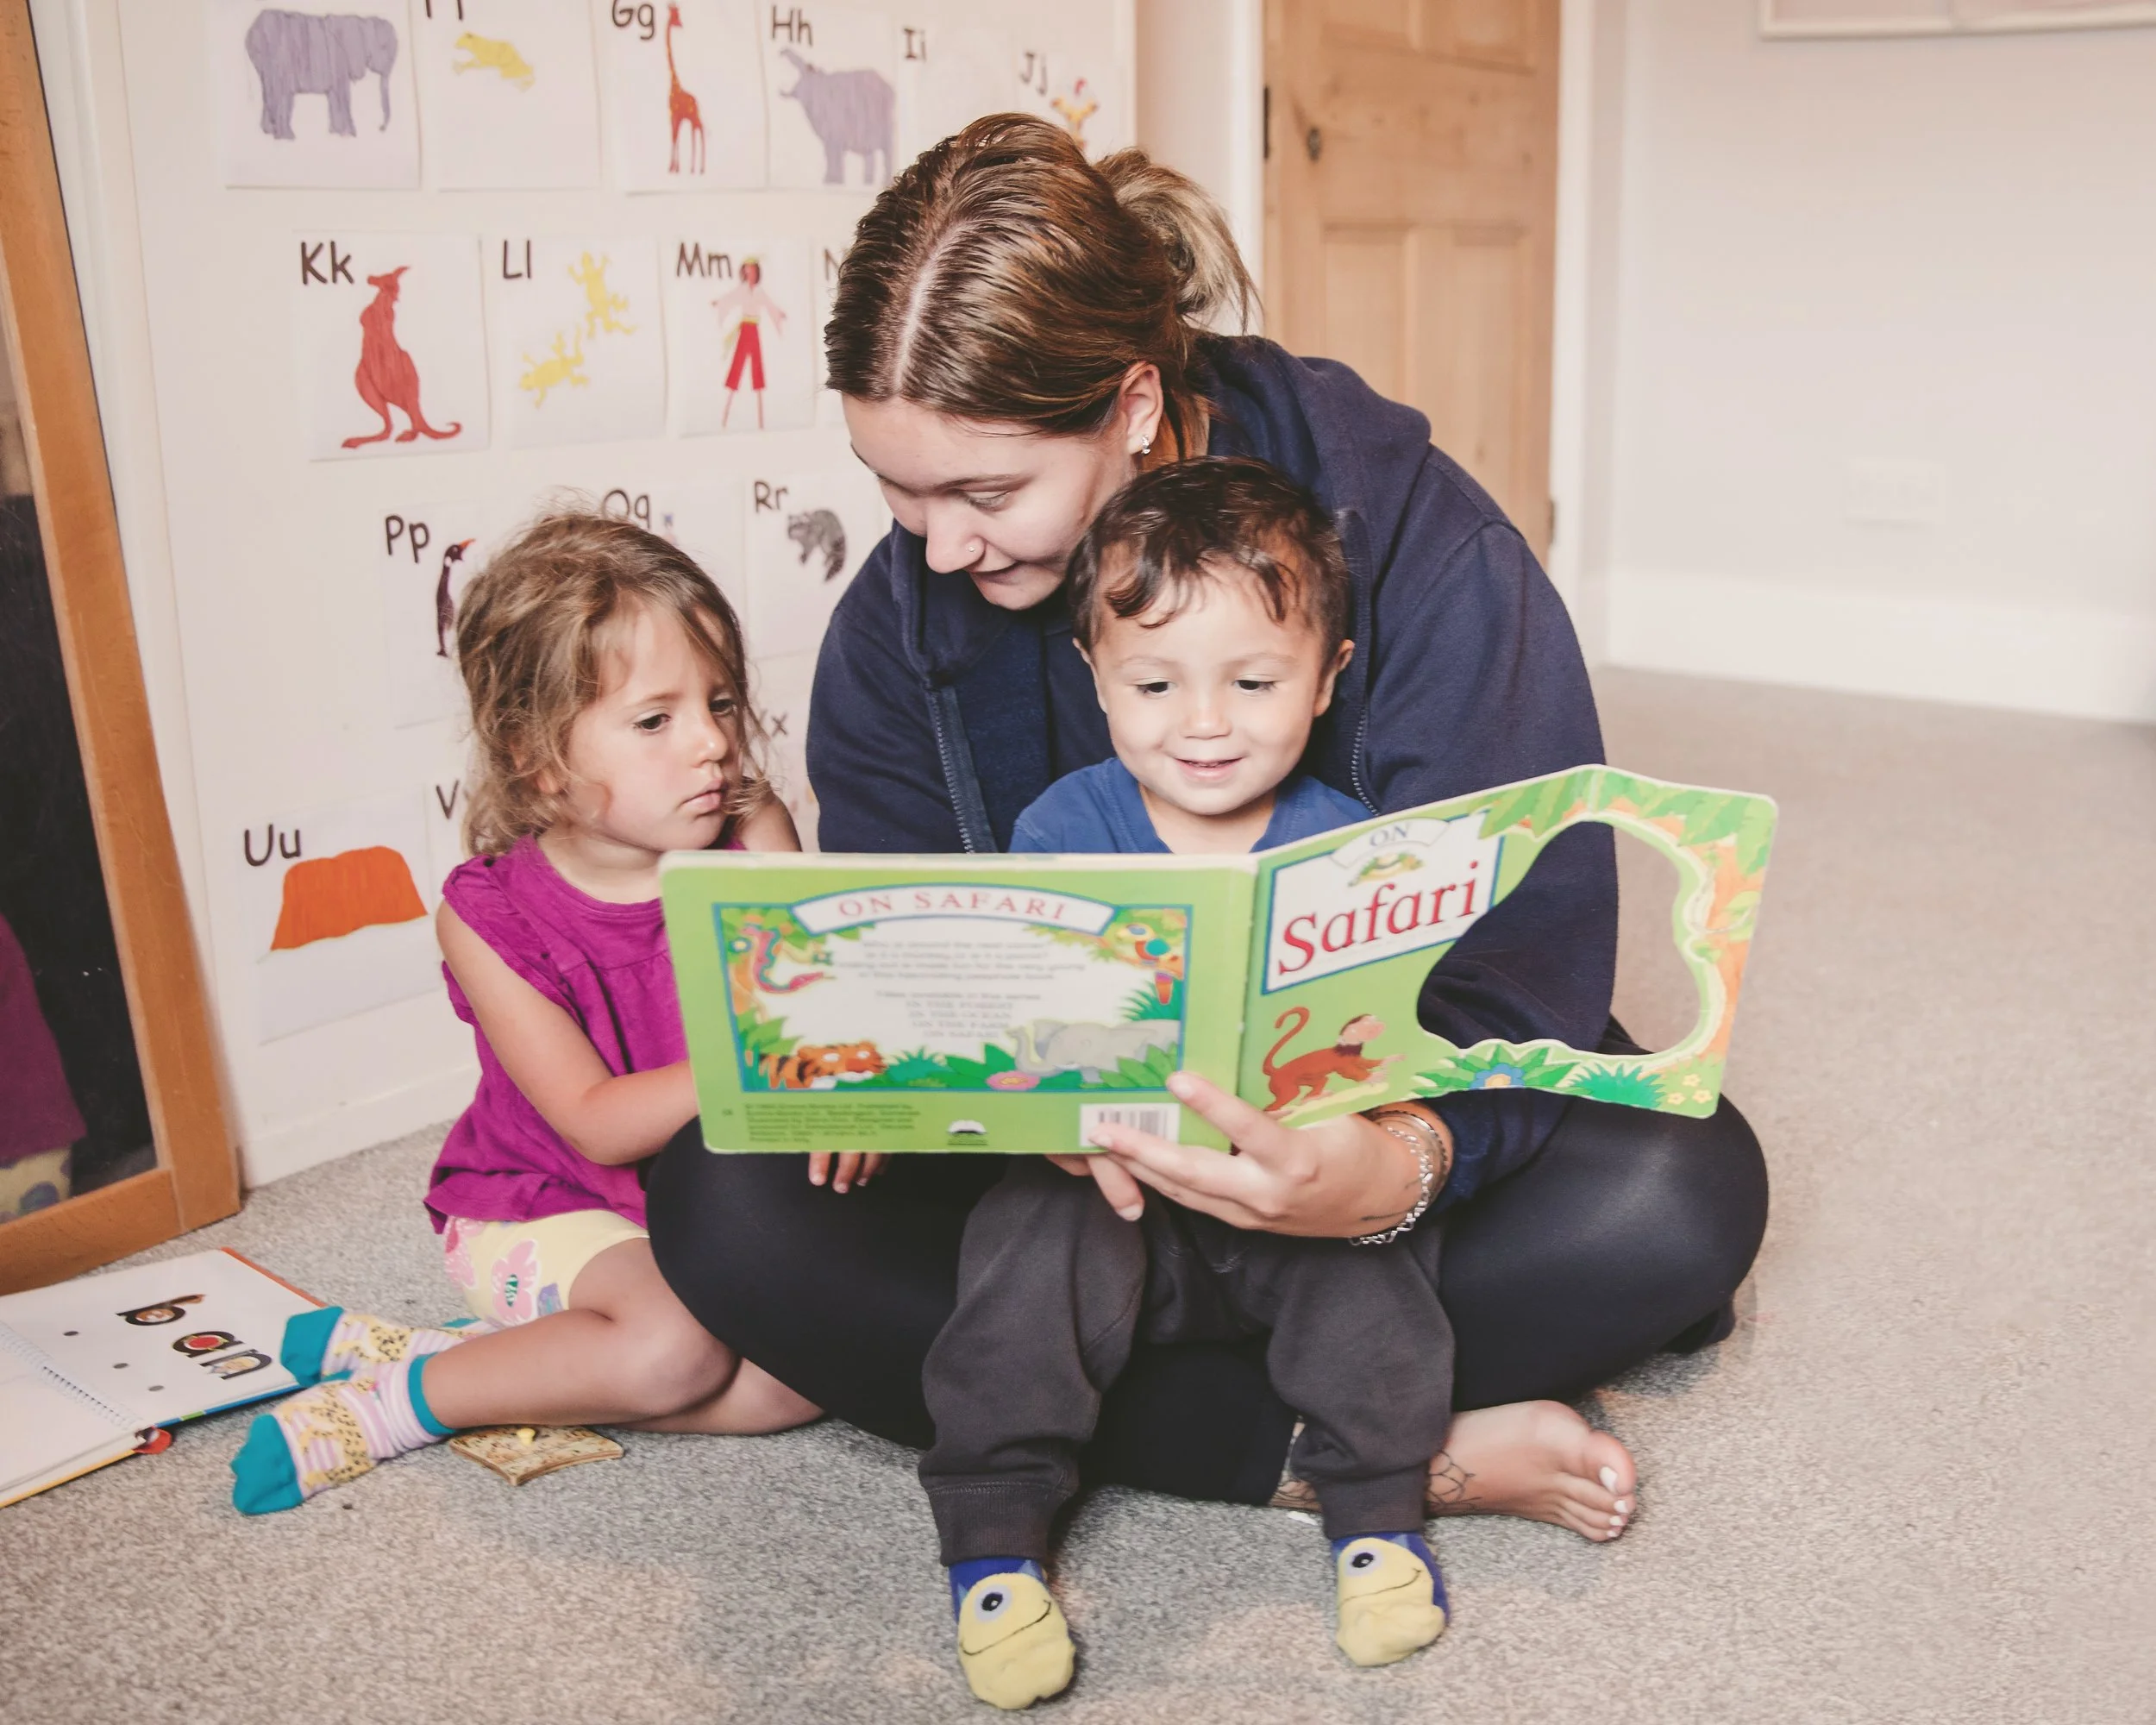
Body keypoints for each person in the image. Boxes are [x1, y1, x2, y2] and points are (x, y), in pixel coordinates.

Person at [648, 116, 1767, 1552]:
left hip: (1356, 1148)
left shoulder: (1419, 544)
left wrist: (1395, 1167)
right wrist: (1012, 1103)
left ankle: (1164, 1407)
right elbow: (905, 968)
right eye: (896, 490)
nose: (935, 547)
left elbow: (1526, 957)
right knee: (722, 1207)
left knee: (1680, 1198)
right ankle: (1361, 1450)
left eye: (987, 492)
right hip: (1071, 1194)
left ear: (1132, 403)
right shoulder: (902, 616)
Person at [925, 459, 1470, 1709]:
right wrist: (1057, 1123)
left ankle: (1377, 1516)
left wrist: (1355, 1136)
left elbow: (1392, 1043)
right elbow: (1022, 1044)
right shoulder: (1063, 831)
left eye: (1255, 681)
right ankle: (995, 1545)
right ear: (1097, 677)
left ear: (1327, 677)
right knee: (1018, 1247)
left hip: (1280, 1193)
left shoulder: (1351, 848)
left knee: (1378, 1266)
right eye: (1156, 683)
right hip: (1114, 1195)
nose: (1205, 722)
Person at [231, 514, 877, 1514]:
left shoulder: (756, 831)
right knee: (675, 1350)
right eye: (655, 720)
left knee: (812, 1379)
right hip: (546, 1197)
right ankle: (412, 1396)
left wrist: (846, 1105)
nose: (712, 741)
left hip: (719, 1196)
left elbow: (818, 1010)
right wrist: (766, 1058)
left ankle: (510, 1365)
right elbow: (596, 1118)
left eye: (718, 701)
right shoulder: (484, 913)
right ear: (537, 758)